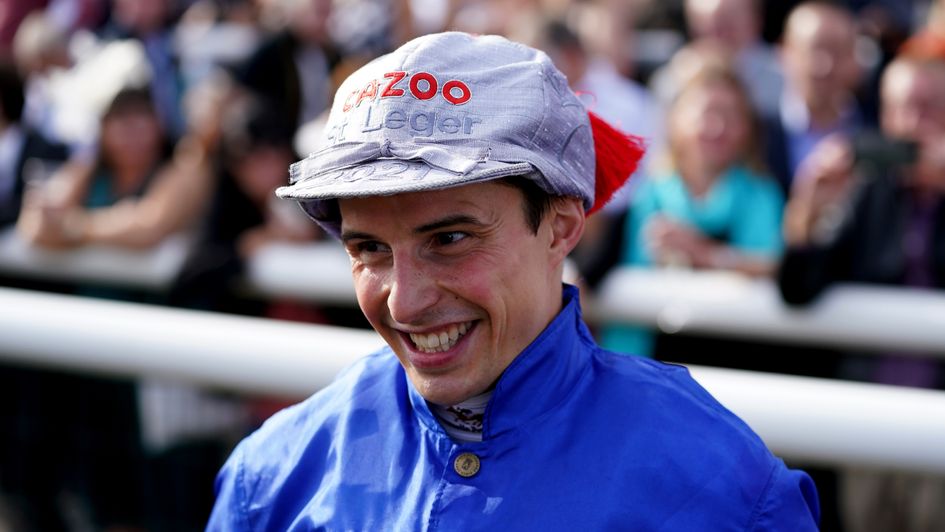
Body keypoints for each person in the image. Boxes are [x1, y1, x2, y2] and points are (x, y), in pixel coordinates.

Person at [207, 32, 819, 529]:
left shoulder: (726, 490)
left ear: (561, 227)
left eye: (449, 239)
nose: (405, 301)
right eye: (369, 248)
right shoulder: (273, 476)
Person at [778, 34, 945, 531]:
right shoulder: (869, 189)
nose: (911, 123)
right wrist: (809, 206)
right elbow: (799, 290)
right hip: (869, 415)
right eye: (898, 109)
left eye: (927, 107)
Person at [601, 63, 784, 358]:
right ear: (676, 120)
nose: (718, 127)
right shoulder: (649, 194)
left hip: (733, 357)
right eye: (708, 113)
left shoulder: (762, 195)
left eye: (730, 115)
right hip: (653, 354)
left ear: (747, 128)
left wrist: (703, 254)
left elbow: (772, 265)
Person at [765, 1, 867, 192]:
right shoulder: (756, 135)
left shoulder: (876, 127)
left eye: (837, 51)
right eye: (814, 50)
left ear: (854, 58)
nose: (825, 65)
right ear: (784, 52)